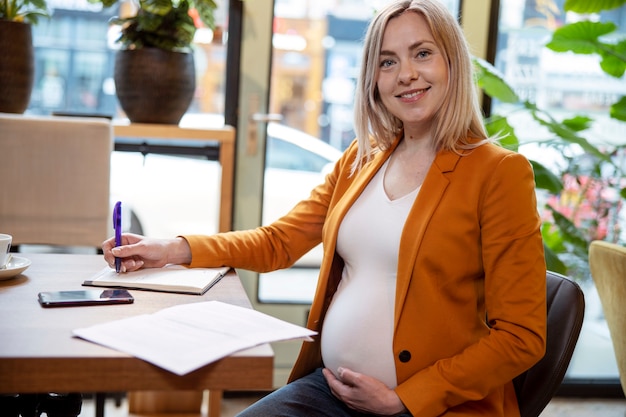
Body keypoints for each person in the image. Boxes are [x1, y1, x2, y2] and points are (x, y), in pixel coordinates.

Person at [102, 0, 547, 415]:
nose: (405, 74)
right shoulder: (363, 159)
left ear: (453, 63)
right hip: (332, 390)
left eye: (422, 53)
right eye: (387, 62)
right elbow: (277, 242)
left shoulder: (499, 173)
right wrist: (172, 249)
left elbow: (522, 337)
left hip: (426, 407)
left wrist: (403, 399)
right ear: (374, 80)